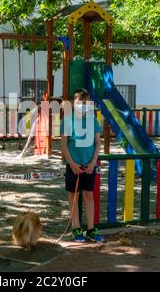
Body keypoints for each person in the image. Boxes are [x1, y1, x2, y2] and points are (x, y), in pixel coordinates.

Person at [61, 88, 103, 242]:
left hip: (89, 166)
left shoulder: (93, 120)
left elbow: (98, 143)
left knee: (88, 195)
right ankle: (76, 228)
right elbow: (64, 144)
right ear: (73, 103)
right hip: (73, 166)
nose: (82, 105)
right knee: (73, 197)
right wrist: (71, 164)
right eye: (79, 103)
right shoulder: (67, 120)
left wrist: (93, 163)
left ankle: (91, 229)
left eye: (85, 103)